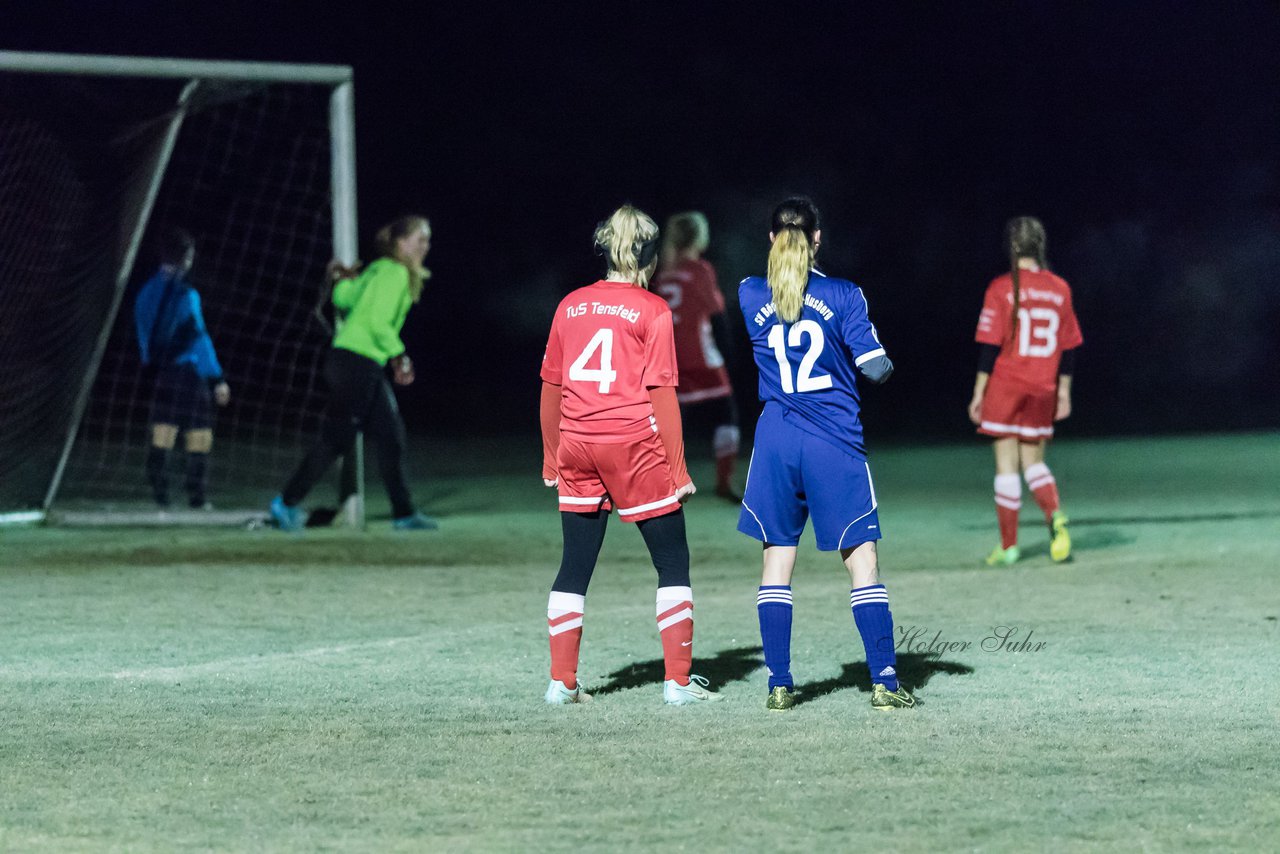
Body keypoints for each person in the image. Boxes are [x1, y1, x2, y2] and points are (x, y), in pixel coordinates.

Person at [539, 204, 721, 706]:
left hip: (577, 442)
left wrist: (552, 455)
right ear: (648, 258)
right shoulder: (652, 309)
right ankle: (678, 684)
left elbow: (550, 387)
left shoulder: (570, 304)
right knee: (672, 560)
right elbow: (662, 393)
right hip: (632, 445)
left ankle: (562, 683)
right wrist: (679, 469)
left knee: (574, 564)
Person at [736, 197, 913, 712]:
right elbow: (876, 368)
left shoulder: (750, 294)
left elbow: (781, 305)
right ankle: (883, 679)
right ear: (817, 239)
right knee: (862, 561)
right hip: (832, 441)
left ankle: (780, 684)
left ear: (771, 240)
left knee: (777, 560)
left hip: (776, 441)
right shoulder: (844, 293)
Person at [270, 215, 437, 532]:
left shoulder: (377, 269)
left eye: (427, 240)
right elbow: (377, 323)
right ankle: (285, 503)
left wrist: (344, 278)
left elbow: (341, 299)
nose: (425, 246)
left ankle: (404, 514)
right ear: (401, 243)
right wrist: (399, 355)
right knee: (336, 438)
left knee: (390, 435)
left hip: (351, 361)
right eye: (420, 239)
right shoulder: (397, 272)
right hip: (357, 362)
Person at [968, 216, 1082, 566]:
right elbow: (1068, 347)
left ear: (1012, 247)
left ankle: (1009, 545)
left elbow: (989, 348)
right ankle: (1055, 518)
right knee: (1033, 463)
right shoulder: (1060, 288)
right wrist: (1064, 392)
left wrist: (978, 395)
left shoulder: (1001, 288)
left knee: (1006, 466)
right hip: (1043, 386)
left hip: (1007, 384)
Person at [133, 227, 230, 508]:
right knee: (200, 431)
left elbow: (142, 335)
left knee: (163, 428)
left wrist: (149, 363)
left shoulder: (144, 293)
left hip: (160, 373)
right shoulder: (187, 296)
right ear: (186, 258)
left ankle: (160, 493)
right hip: (187, 372)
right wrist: (217, 379)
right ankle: (197, 496)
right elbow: (199, 339)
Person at [653, 212, 741, 500]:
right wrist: (729, 350)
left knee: (674, 420)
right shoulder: (701, 270)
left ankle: (665, 481)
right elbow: (716, 315)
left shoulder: (663, 272)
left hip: (668, 357)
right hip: (701, 356)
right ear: (698, 237)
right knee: (726, 414)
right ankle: (724, 482)